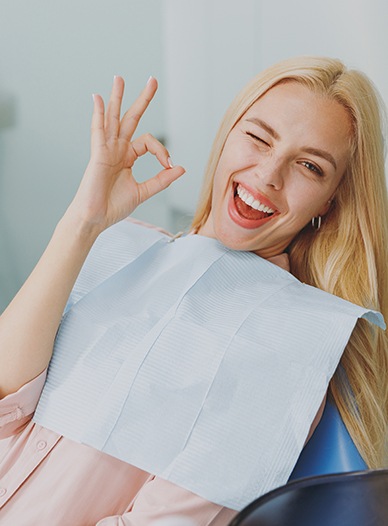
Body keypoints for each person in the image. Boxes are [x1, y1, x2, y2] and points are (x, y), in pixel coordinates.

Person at [0, 55, 387, 525]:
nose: (268, 174)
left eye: (309, 165)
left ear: (330, 199)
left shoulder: (290, 342)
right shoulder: (121, 246)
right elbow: (6, 405)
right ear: (227, 137)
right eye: (259, 138)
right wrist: (82, 224)